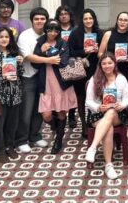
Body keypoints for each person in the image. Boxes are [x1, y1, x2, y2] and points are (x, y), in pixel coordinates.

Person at [33, 19, 78, 154]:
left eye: (56, 30)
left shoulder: (63, 43)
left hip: (61, 83)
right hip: (45, 82)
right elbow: (35, 64)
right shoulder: (40, 43)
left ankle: (58, 140)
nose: (53, 33)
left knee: (61, 112)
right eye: (50, 30)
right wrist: (42, 52)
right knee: (46, 115)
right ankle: (57, 127)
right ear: (45, 30)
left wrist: (48, 57)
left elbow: (63, 62)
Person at [84, 53, 128, 180]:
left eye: (110, 63)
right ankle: (109, 165)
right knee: (108, 127)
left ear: (115, 64)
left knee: (110, 112)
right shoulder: (94, 79)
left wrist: (121, 105)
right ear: (100, 65)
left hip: (117, 113)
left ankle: (93, 147)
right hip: (97, 114)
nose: (107, 66)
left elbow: (127, 99)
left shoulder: (121, 79)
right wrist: (99, 107)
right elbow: (88, 101)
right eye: (104, 63)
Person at [0, 27, 24, 162]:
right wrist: (4, 78)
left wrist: (20, 63)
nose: (4, 39)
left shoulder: (14, 53)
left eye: (7, 37)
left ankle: (9, 146)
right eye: (1, 37)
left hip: (14, 94)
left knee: (12, 124)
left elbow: (20, 73)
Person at [15, 7, 50, 153]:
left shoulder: (49, 34)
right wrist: (49, 59)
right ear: (31, 20)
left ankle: (35, 136)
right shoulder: (25, 35)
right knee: (26, 110)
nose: (40, 21)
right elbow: (28, 57)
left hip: (44, 76)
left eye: (42, 19)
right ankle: (21, 140)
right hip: (28, 77)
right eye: (36, 19)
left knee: (39, 108)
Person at [68, 8, 103, 137]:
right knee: (81, 97)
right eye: (85, 18)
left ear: (94, 19)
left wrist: (98, 50)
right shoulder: (75, 33)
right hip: (79, 69)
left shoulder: (99, 33)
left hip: (95, 68)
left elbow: (104, 52)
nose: (88, 21)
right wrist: (84, 51)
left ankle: (92, 121)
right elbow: (70, 52)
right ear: (82, 20)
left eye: (90, 18)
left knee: (94, 95)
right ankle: (83, 124)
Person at [98, 11, 128, 84]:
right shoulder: (108, 34)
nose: (122, 22)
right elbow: (100, 54)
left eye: (125, 20)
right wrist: (109, 59)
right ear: (117, 21)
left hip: (125, 68)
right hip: (109, 69)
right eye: (120, 20)